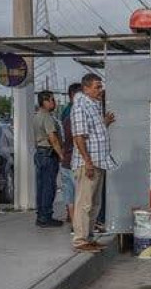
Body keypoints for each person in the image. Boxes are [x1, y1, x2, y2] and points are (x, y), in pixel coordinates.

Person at [71, 73, 116, 252]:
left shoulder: (93, 105)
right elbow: (79, 137)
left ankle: (89, 237)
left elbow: (93, 132)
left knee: (94, 203)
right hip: (88, 164)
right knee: (85, 203)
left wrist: (104, 123)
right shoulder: (80, 106)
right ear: (86, 88)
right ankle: (80, 240)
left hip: (99, 161)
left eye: (100, 86)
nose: (100, 90)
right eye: (97, 86)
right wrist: (88, 162)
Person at [33, 90, 64, 227]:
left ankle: (41, 215)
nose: (54, 102)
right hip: (48, 154)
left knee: (41, 186)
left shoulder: (37, 116)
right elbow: (53, 138)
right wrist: (61, 155)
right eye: (52, 100)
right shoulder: (47, 117)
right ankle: (46, 217)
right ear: (44, 102)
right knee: (49, 187)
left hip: (40, 153)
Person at [60, 82, 82, 226]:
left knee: (70, 197)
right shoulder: (77, 115)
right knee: (80, 196)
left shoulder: (65, 115)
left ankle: (74, 226)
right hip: (76, 161)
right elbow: (79, 139)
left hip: (65, 161)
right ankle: (80, 227)